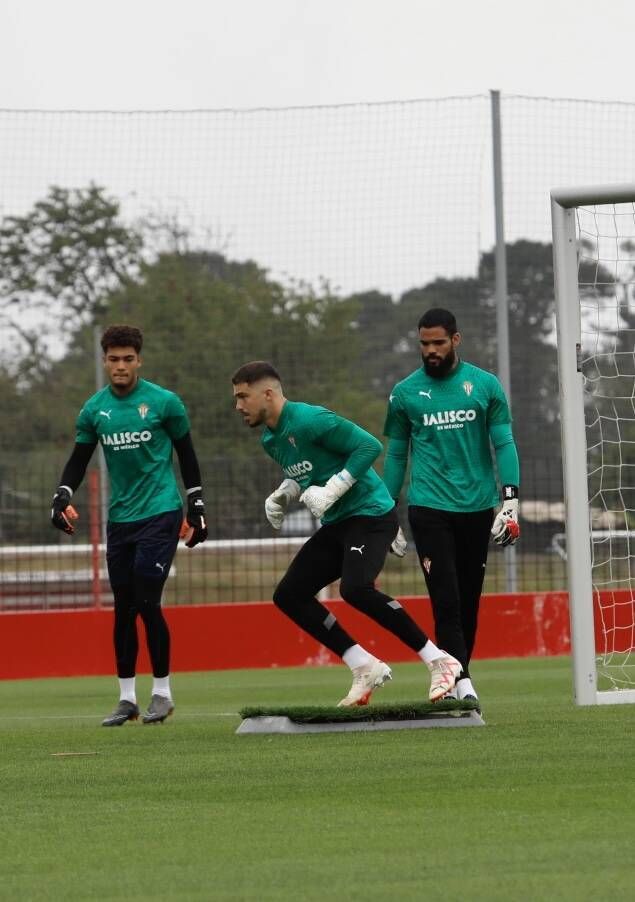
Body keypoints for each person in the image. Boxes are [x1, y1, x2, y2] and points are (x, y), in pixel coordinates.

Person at [231, 360, 461, 706]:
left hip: (371, 515)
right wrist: (285, 492)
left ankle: (439, 659)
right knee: (289, 595)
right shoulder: (270, 439)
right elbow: (309, 471)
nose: (237, 406)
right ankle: (363, 665)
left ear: (267, 393)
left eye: (242, 397)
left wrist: (335, 487)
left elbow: (369, 446)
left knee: (355, 589)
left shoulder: (310, 419)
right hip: (339, 523)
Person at [50, 325, 208, 726]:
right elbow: (78, 459)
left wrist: (196, 505)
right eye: (113, 359)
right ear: (105, 361)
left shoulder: (164, 403)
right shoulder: (94, 410)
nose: (120, 366)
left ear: (139, 360)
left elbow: (187, 456)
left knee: (146, 599)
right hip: (120, 519)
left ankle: (162, 693)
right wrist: (62, 495)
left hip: (161, 512)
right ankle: (126, 699)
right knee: (123, 608)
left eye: (127, 359)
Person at [383, 308, 520, 707]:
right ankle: (461, 681)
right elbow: (395, 456)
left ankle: (457, 674)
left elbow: (504, 444)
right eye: (424, 343)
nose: (430, 350)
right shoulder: (404, 393)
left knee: (467, 600)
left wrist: (510, 501)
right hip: (428, 507)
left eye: (438, 343)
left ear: (455, 340)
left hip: (478, 506)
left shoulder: (485, 385)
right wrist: (387, 511)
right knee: (444, 598)